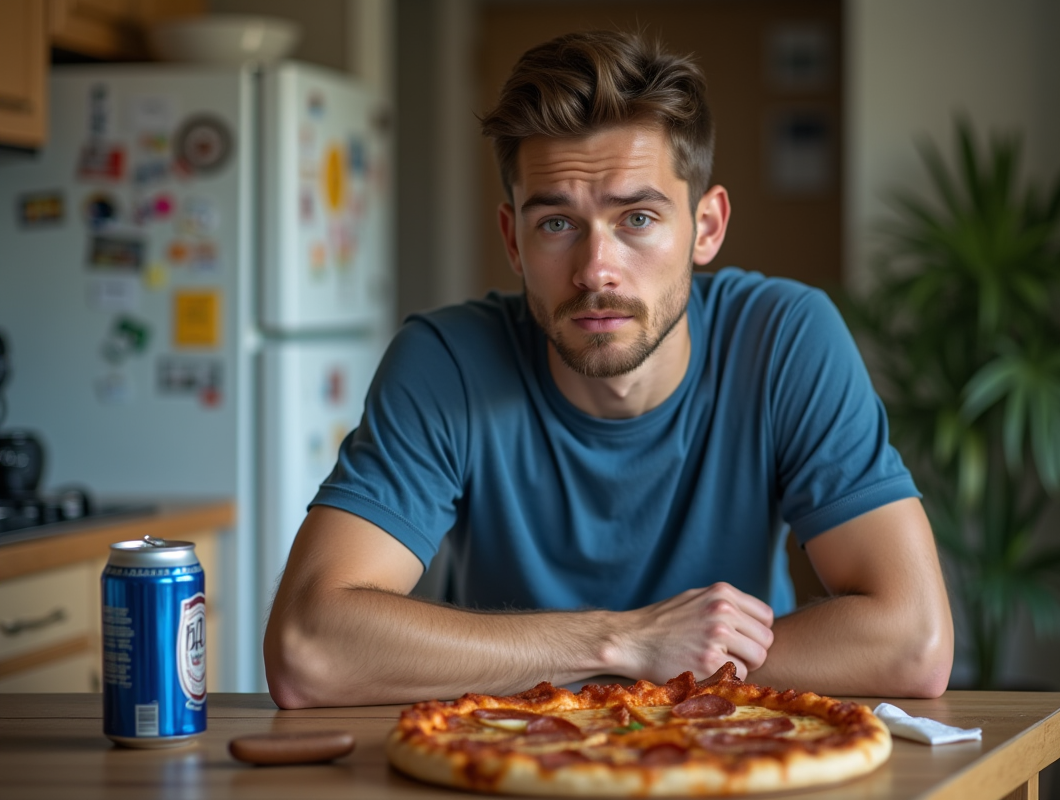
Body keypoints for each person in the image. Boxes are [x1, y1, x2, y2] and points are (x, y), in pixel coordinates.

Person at [264, 30, 953, 709]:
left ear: (706, 228)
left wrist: (647, 672)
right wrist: (621, 642)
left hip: (736, 746)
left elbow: (914, 642)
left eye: (638, 219)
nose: (596, 271)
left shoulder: (782, 338)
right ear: (513, 239)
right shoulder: (446, 363)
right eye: (557, 224)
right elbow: (309, 649)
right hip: (505, 757)